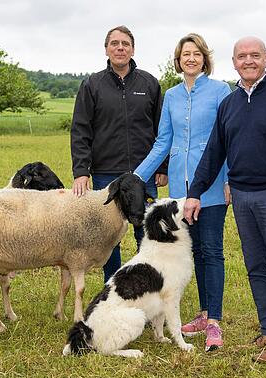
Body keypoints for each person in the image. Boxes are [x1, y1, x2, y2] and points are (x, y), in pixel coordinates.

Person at [183, 37, 266, 362]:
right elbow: (214, 153)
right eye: (242, 56)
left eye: (255, 55)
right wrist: (195, 192)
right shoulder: (230, 103)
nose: (249, 60)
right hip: (242, 196)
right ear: (234, 61)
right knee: (256, 267)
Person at [133, 33, 231, 352]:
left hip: (213, 184)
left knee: (212, 249)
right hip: (179, 190)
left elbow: (227, 139)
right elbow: (163, 141)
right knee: (195, 251)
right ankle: (201, 314)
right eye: (185, 54)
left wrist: (228, 180)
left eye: (196, 53)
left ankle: (214, 321)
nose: (190, 58)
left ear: (205, 58)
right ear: (178, 60)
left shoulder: (219, 91)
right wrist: (136, 177)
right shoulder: (172, 96)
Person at [70, 25, 165, 283]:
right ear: (106, 49)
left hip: (143, 173)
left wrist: (162, 167)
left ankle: (147, 284)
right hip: (105, 174)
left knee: (146, 232)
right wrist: (81, 171)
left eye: (125, 43)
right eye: (114, 43)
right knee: (109, 236)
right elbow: (80, 130)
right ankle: (113, 290)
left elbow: (161, 129)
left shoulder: (149, 84)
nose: (120, 48)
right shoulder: (92, 85)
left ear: (133, 49)